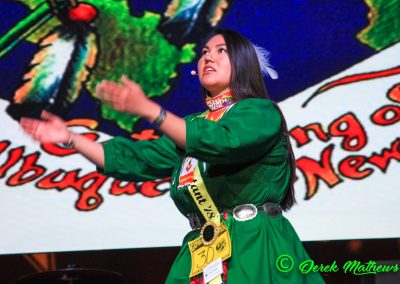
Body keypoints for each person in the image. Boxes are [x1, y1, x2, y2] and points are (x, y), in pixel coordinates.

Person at [20, 29, 325, 283]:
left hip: (255, 244)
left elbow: (223, 142)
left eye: (221, 51)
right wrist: (71, 138)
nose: (208, 56)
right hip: (204, 247)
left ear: (243, 63)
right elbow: (140, 158)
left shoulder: (260, 112)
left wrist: (149, 109)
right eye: (204, 51)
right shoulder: (193, 125)